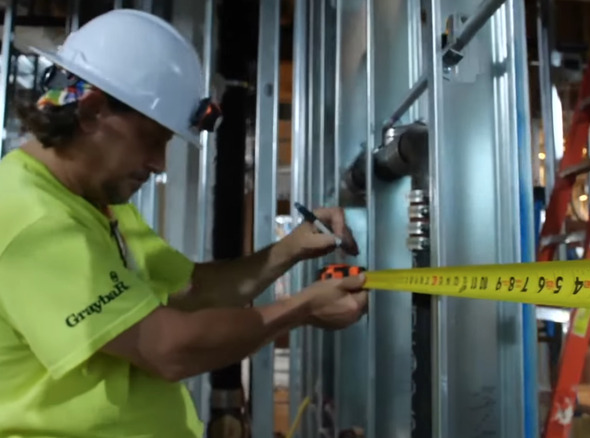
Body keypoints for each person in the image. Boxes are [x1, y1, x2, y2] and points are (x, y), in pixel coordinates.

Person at [0, 9, 368, 438]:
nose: (158, 163)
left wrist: (290, 249)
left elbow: (192, 289)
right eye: (152, 139)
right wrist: (300, 309)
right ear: (91, 111)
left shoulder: (98, 202)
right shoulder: (30, 217)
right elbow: (167, 349)